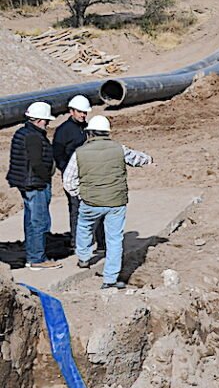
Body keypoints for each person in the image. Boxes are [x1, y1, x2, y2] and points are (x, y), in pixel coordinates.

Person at [63, 115, 153, 290]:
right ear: (107, 133)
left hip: (90, 202)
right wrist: (149, 160)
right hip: (115, 202)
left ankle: (83, 257)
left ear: (89, 133)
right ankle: (110, 278)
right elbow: (136, 158)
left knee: (84, 227)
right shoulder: (119, 148)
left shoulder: (79, 153)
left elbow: (68, 181)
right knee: (114, 239)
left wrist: (80, 194)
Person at [6, 101, 62, 270]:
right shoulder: (34, 137)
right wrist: (46, 178)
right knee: (40, 221)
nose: (48, 124)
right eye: (46, 121)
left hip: (27, 183)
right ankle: (37, 258)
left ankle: (33, 255)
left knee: (31, 220)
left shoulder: (24, 132)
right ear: (39, 120)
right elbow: (36, 163)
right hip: (35, 184)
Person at [52, 94, 103, 254]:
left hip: (90, 176)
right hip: (73, 177)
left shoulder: (87, 128)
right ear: (71, 111)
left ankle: (101, 242)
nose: (83, 115)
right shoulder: (63, 131)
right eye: (80, 112)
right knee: (76, 209)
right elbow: (58, 154)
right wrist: (68, 172)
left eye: (85, 112)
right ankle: (77, 242)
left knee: (98, 208)